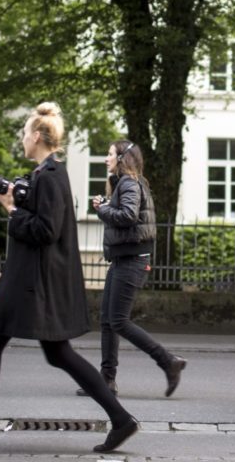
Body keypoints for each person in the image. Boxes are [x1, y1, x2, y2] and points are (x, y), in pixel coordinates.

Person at [0, 102, 139, 456]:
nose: (22, 139)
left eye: (24, 133)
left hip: (35, 284)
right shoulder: (47, 173)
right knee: (57, 352)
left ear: (38, 136)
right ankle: (120, 419)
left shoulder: (51, 175)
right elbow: (38, 236)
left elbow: (45, 231)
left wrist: (10, 209)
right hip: (30, 279)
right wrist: (6, 270)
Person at [76, 139, 186, 398]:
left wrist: (103, 210)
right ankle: (107, 381)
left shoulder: (128, 183)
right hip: (123, 259)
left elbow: (127, 216)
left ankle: (168, 361)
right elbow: (126, 213)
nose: (106, 159)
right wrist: (105, 205)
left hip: (133, 259)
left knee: (119, 321)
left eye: (110, 154)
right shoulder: (125, 184)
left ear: (122, 158)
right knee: (107, 320)